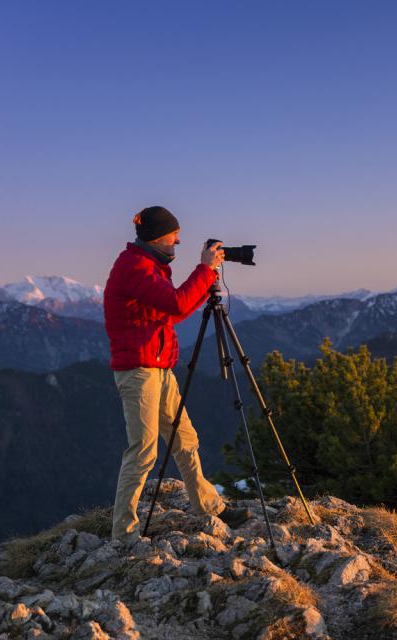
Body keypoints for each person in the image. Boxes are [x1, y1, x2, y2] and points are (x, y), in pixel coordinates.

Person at [103, 205, 251, 544]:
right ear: (158, 237)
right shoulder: (135, 268)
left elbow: (172, 311)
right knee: (143, 451)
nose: (179, 241)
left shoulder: (148, 266)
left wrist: (205, 281)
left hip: (157, 367)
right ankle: (123, 534)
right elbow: (176, 305)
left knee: (185, 439)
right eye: (174, 236)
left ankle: (209, 506)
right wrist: (204, 269)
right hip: (139, 372)